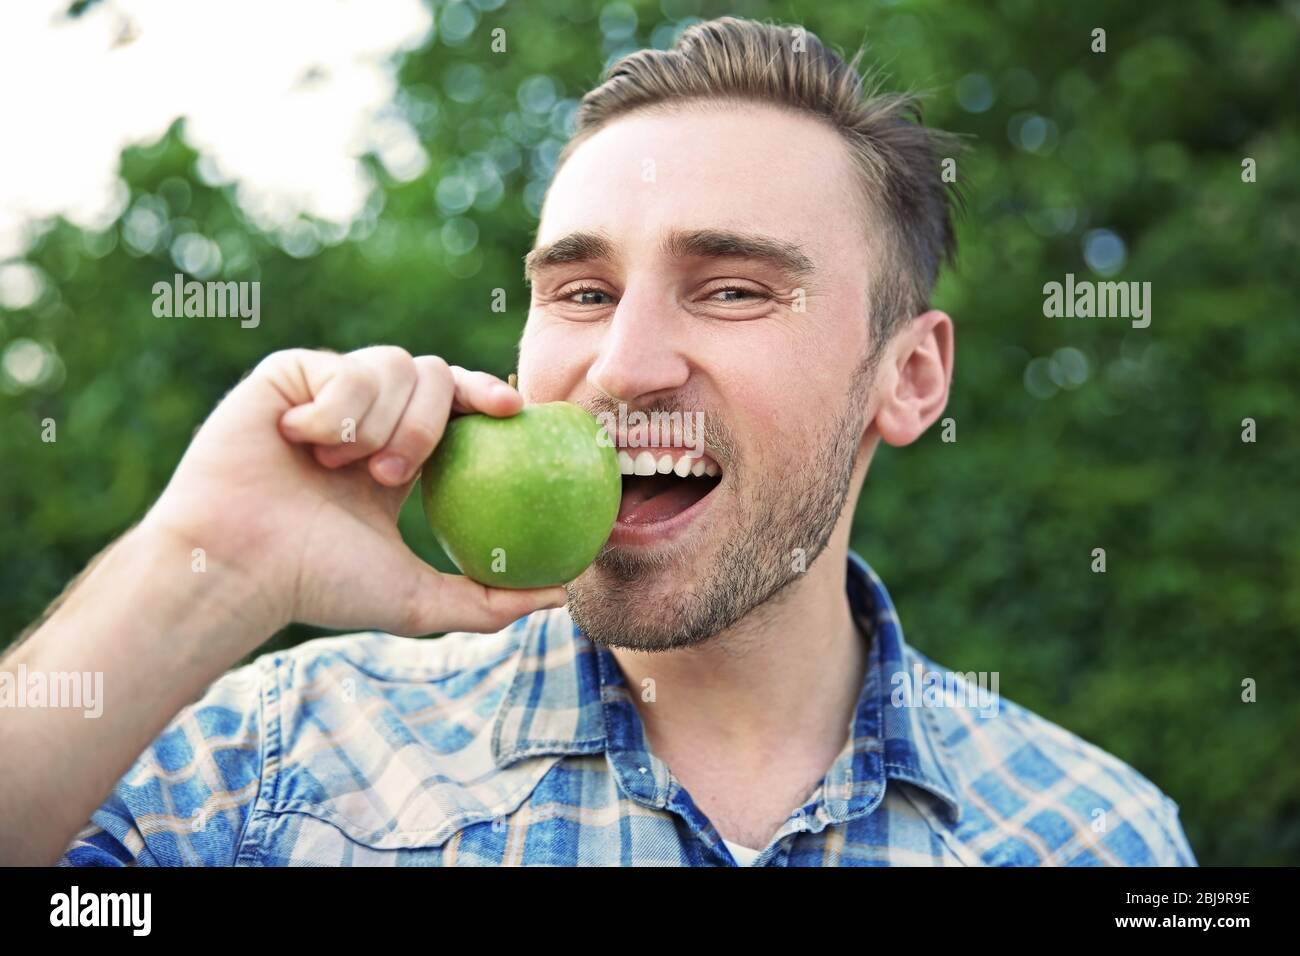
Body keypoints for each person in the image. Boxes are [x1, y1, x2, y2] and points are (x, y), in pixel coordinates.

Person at [2, 16, 1195, 866]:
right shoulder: (278, 771)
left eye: (730, 289)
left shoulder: (1096, 835)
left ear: (911, 374)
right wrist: (206, 559)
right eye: (579, 293)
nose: (622, 364)